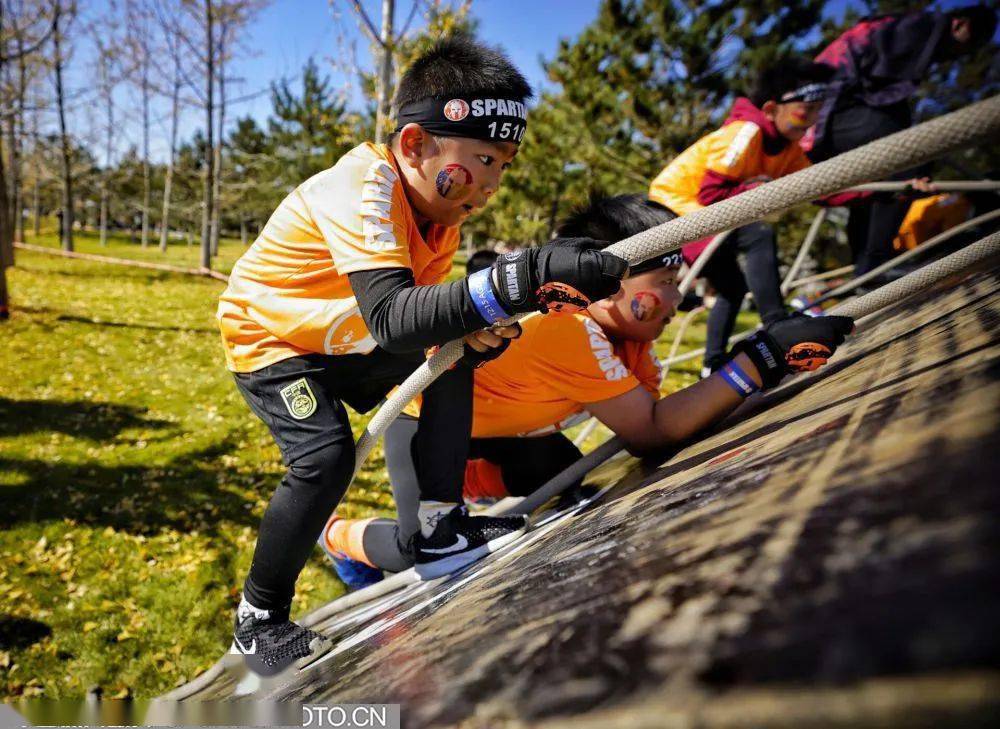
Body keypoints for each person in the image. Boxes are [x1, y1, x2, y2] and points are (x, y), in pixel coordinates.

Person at [216, 36, 628, 676]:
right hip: (275, 340)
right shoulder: (363, 185)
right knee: (323, 460)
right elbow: (390, 315)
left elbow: (420, 318)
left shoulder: (441, 215)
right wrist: (517, 282)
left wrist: (481, 322)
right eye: (484, 159)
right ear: (415, 145)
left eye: (504, 166)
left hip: (347, 332)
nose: (491, 183)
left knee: (454, 354)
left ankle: (439, 527)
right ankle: (258, 617)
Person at [321, 194, 854, 584]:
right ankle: (340, 540)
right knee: (422, 551)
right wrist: (760, 358)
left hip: (508, 425)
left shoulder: (630, 338)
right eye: (666, 286)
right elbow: (651, 432)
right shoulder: (567, 326)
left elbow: (661, 419)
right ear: (605, 282)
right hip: (427, 423)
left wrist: (765, 366)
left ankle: (475, 480)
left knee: (565, 477)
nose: (679, 303)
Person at [649, 60, 852, 377]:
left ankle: (712, 364)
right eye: (805, 110)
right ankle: (777, 322)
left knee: (733, 287)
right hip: (675, 207)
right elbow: (710, 194)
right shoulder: (745, 132)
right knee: (758, 233)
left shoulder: (789, 148)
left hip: (708, 215)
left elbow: (822, 190)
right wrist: (756, 189)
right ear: (772, 109)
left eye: (818, 111)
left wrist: (888, 191)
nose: (812, 121)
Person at [807, 5, 997, 275]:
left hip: (838, 108)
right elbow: (874, 86)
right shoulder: (919, 28)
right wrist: (913, 164)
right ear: (959, 25)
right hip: (829, 110)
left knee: (872, 178)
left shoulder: (912, 31)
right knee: (907, 154)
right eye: (971, 43)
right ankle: (874, 261)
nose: (963, 54)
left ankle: (866, 263)